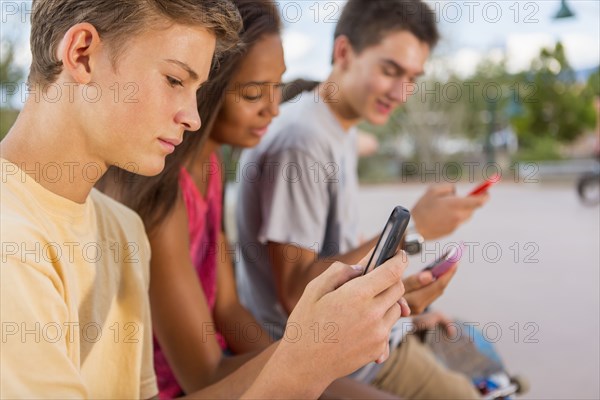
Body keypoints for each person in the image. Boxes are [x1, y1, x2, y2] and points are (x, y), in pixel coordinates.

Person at [0, 0, 411, 398]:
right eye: (175, 80)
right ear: (82, 54)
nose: (193, 117)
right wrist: (305, 362)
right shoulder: (14, 250)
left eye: (196, 89)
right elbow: (204, 373)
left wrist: (311, 349)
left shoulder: (121, 229)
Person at [236, 0, 489, 398]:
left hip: (361, 339)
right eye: (390, 70)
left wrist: (400, 300)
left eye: (413, 77)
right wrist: (416, 227)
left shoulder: (338, 129)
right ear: (343, 53)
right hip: (329, 359)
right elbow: (294, 294)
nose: (402, 92)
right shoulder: (304, 144)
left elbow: (340, 269)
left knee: (471, 350)